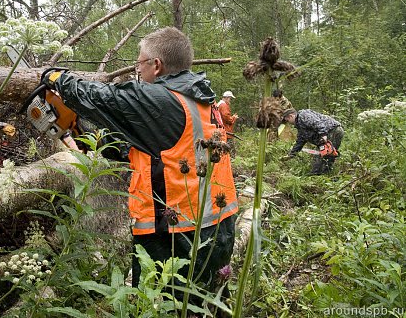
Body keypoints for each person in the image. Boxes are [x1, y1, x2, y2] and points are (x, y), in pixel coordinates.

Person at [43, 27, 238, 312]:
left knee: (163, 308)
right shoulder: (198, 99)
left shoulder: (162, 99)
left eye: (139, 63)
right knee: (207, 305)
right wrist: (86, 138)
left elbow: (104, 97)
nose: (138, 70)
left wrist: (56, 78)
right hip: (219, 224)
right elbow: (163, 152)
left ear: (156, 65)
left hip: (177, 235)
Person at [282, 108, 344, 175]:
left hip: (332, 131)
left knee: (326, 154)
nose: (288, 122)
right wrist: (292, 154)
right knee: (322, 155)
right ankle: (320, 175)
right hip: (327, 133)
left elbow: (317, 122)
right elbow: (300, 141)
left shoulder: (303, 115)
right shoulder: (300, 126)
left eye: (287, 120)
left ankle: (319, 176)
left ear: (291, 116)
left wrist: (323, 134)